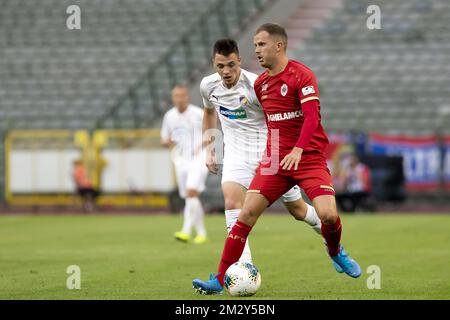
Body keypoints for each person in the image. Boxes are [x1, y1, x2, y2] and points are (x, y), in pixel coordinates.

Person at [192, 23, 361, 294]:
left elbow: (310, 117)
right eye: (255, 45)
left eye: (261, 45)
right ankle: (224, 277)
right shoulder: (256, 84)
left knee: (311, 212)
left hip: (294, 156)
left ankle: (335, 250)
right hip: (265, 157)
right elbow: (210, 113)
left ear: (278, 46)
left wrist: (296, 149)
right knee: (242, 211)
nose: (256, 50)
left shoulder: (283, 79)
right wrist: (211, 146)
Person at [200, 38, 329, 265]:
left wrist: (285, 150)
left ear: (239, 60)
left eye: (231, 64)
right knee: (232, 204)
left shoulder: (256, 85)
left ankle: (329, 236)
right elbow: (209, 112)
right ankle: (242, 267)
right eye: (221, 66)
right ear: (213, 64)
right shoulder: (208, 85)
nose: (226, 71)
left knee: (298, 210)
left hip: (268, 152)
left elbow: (278, 118)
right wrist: (211, 149)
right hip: (236, 155)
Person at [161, 85, 208, 244]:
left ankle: (185, 231)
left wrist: (201, 144)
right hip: (180, 160)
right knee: (190, 197)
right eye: (176, 96)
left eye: (182, 95)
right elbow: (164, 138)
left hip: (199, 158)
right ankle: (201, 233)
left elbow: (211, 133)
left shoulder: (198, 113)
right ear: (173, 98)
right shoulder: (169, 116)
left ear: (187, 97)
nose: (179, 99)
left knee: (191, 192)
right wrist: (169, 141)